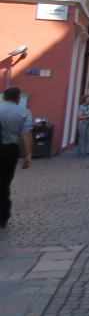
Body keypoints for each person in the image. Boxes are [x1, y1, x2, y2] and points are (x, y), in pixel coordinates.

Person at [0, 86, 32, 228]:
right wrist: (28, 154)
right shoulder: (24, 112)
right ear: (18, 98)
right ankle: (2, 216)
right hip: (9, 151)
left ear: (4, 96)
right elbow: (26, 134)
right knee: (4, 183)